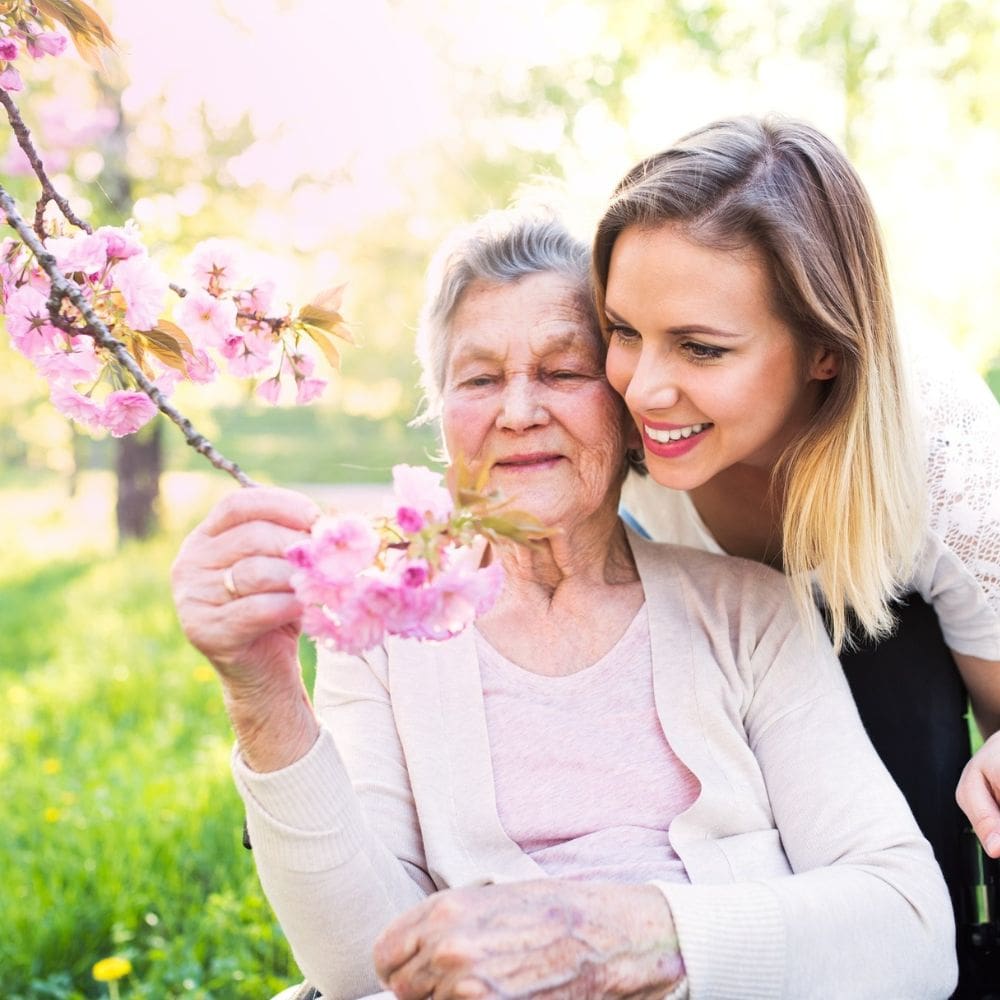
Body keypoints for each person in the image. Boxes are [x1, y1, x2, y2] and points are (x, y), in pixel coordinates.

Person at [171, 209, 956, 999]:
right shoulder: (383, 635)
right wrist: (261, 688)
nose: (516, 412)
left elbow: (910, 929)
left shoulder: (749, 613)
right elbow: (358, 967)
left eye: (562, 371)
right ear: (444, 418)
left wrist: (641, 943)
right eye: (478, 379)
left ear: (628, 410)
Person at [592, 114, 1000, 993]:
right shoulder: (602, 399)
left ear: (824, 348)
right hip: (695, 738)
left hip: (888, 734)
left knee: (887, 642)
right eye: (624, 329)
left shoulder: (942, 455)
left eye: (701, 348)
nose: (643, 387)